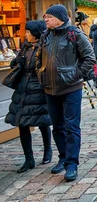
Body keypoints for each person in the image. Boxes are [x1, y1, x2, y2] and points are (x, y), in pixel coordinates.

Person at [38, 4, 96, 182]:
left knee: (71, 126)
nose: (45, 19)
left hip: (71, 88)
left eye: (49, 17)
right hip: (50, 88)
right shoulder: (45, 35)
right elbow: (39, 58)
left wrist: (74, 76)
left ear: (60, 18)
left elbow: (89, 59)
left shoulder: (75, 34)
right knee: (57, 127)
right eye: (45, 17)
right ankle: (63, 157)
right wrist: (41, 74)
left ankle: (72, 164)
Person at [5, 20, 53, 173]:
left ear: (35, 33)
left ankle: (48, 150)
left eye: (28, 32)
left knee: (43, 121)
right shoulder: (26, 46)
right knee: (22, 123)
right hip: (23, 89)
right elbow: (17, 63)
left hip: (38, 88)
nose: (25, 34)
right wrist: (16, 61)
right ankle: (29, 159)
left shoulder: (45, 47)